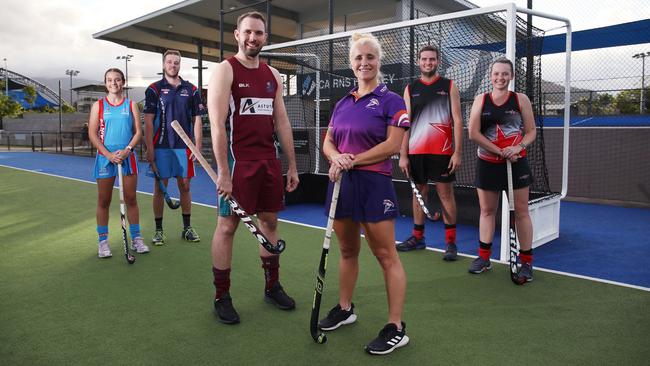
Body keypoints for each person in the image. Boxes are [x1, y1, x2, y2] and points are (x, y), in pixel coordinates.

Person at [318, 33, 411, 355]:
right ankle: (345, 308)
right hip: (342, 183)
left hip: (373, 184)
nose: (364, 63)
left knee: (386, 255)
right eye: (358, 58)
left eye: (370, 57)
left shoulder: (392, 100)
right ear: (351, 64)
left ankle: (396, 327)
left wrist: (350, 159)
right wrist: (335, 157)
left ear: (378, 61)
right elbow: (328, 142)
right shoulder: (343, 102)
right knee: (346, 250)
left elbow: (392, 146)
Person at [207, 11, 300, 325]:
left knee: (270, 221)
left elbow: (282, 121)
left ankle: (272, 286)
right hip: (238, 163)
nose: (253, 38)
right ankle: (222, 296)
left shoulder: (272, 74)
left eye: (259, 33)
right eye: (248, 32)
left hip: (269, 162)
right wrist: (222, 171)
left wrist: (292, 166)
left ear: (265, 37)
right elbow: (218, 126)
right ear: (237, 34)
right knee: (227, 226)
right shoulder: (225, 70)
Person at [467, 57, 536, 282]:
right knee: (487, 211)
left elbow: (531, 132)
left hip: (517, 164)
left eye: (505, 74)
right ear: (491, 76)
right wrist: (498, 150)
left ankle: (526, 263)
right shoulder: (481, 99)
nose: (500, 78)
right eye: (496, 74)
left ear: (512, 76)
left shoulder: (520, 99)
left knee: (522, 212)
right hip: (488, 163)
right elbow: (473, 133)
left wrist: (518, 147)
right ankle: (484, 258)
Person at [397, 46, 463, 260]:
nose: (428, 63)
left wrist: (457, 152)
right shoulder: (410, 88)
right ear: (418, 62)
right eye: (424, 59)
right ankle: (418, 237)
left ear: (437, 62)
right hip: (416, 152)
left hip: (442, 152)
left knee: (446, 195)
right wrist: (403, 154)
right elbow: (405, 123)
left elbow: (458, 120)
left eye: (432, 59)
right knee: (419, 194)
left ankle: (451, 244)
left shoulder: (449, 86)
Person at [144, 49, 205, 245]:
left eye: (176, 62)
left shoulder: (192, 90)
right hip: (160, 146)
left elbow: (197, 120)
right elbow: (148, 121)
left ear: (180, 65)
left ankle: (187, 228)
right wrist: (149, 148)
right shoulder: (153, 89)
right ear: (163, 65)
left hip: (183, 147)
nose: (172, 65)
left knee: (185, 186)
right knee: (159, 189)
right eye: (169, 62)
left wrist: (197, 146)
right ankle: (159, 230)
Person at [88, 68, 150, 258]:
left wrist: (127, 151)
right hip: (105, 158)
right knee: (104, 201)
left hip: (127, 156)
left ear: (123, 82)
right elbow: (92, 133)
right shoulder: (98, 105)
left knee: (131, 199)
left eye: (117, 80)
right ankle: (103, 242)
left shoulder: (131, 105)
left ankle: (136, 239)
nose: (113, 83)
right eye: (109, 80)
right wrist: (108, 155)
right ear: (105, 83)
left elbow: (138, 132)